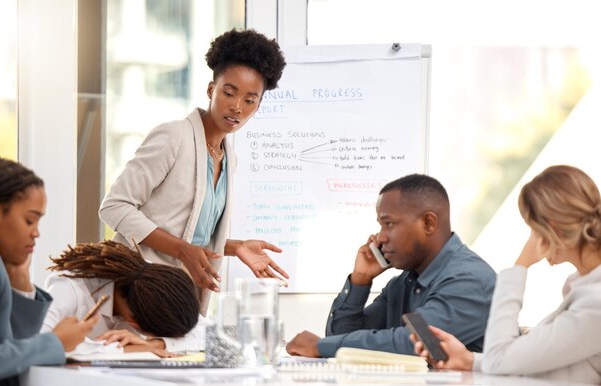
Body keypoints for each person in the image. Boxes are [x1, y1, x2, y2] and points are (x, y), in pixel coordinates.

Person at [99, 28, 289, 314]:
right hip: (136, 289)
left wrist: (234, 247)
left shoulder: (229, 159)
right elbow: (114, 207)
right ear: (212, 89)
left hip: (180, 296)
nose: (237, 107)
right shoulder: (174, 137)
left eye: (250, 100)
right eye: (229, 92)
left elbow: (192, 233)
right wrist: (180, 249)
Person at [413, 165, 601, 384]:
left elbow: (499, 358)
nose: (532, 239)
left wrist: (520, 266)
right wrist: (469, 360)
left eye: (532, 228)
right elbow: (539, 359)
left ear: (552, 228)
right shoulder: (585, 290)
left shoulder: (594, 302)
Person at [286, 174, 496, 357]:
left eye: (389, 224)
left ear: (428, 223)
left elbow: (414, 342)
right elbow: (342, 338)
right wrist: (360, 280)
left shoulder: (469, 279)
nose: (380, 237)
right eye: (380, 225)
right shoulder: (403, 283)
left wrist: (321, 347)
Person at [0, 156, 97, 386]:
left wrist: (21, 284)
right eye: (30, 220)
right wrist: (56, 342)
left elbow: (11, 350)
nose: (36, 233)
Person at [43, 240, 203, 356]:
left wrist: (154, 343)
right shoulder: (68, 288)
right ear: (135, 323)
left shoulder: (149, 283)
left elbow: (210, 333)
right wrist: (135, 349)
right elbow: (37, 345)